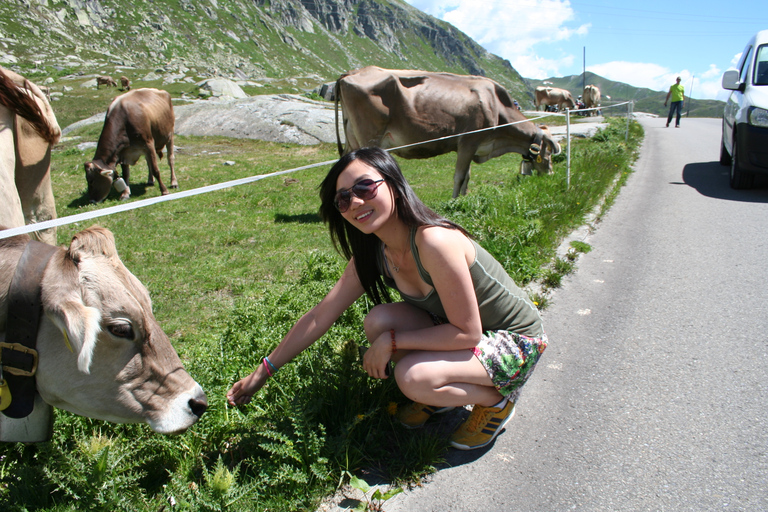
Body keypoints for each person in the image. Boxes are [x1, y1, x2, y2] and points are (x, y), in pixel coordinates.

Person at [226, 147, 547, 451]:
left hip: (516, 341)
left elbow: (468, 333)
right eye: (343, 198)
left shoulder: (433, 241)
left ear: (393, 185)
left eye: (365, 187)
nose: (354, 202)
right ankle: (439, 396)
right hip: (457, 331)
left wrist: (391, 343)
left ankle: (496, 403)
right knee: (378, 320)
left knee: (411, 375)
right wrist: (262, 372)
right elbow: (319, 316)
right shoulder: (374, 253)